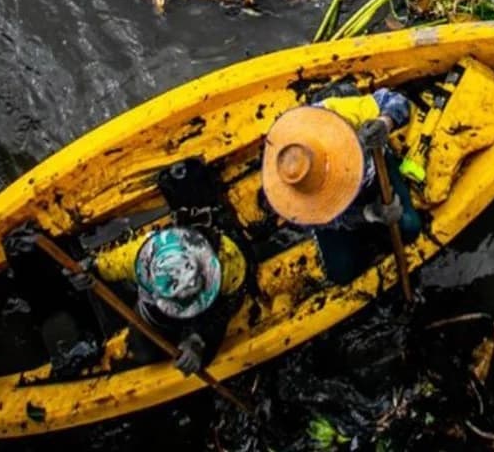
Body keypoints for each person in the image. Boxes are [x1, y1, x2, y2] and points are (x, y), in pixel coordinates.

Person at [260, 86, 421, 283]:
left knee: (409, 227)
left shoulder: (334, 115)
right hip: (341, 211)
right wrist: (369, 214)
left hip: (375, 175)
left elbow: (397, 99)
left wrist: (384, 123)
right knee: (341, 273)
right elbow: (332, 221)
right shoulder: (290, 191)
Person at [88, 223, 248, 377]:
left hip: (206, 310)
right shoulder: (138, 254)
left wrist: (198, 342)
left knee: (153, 352)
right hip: (153, 311)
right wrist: (88, 272)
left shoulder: (228, 267)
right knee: (142, 348)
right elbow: (105, 266)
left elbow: (224, 309)